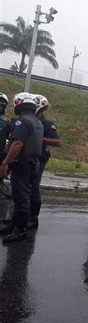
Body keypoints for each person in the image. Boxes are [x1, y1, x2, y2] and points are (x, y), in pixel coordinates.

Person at [0, 93, 43, 243]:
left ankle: (20, 230)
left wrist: (5, 163)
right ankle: (14, 224)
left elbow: (17, 144)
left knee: (21, 197)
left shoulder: (22, 122)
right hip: (33, 163)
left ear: (20, 104)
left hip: (22, 163)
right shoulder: (37, 121)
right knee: (21, 195)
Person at [29, 95, 61, 229]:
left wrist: (40, 138)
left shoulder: (47, 124)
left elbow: (57, 142)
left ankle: (33, 217)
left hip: (40, 158)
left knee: (34, 187)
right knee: (23, 187)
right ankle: (20, 216)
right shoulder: (29, 121)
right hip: (27, 157)